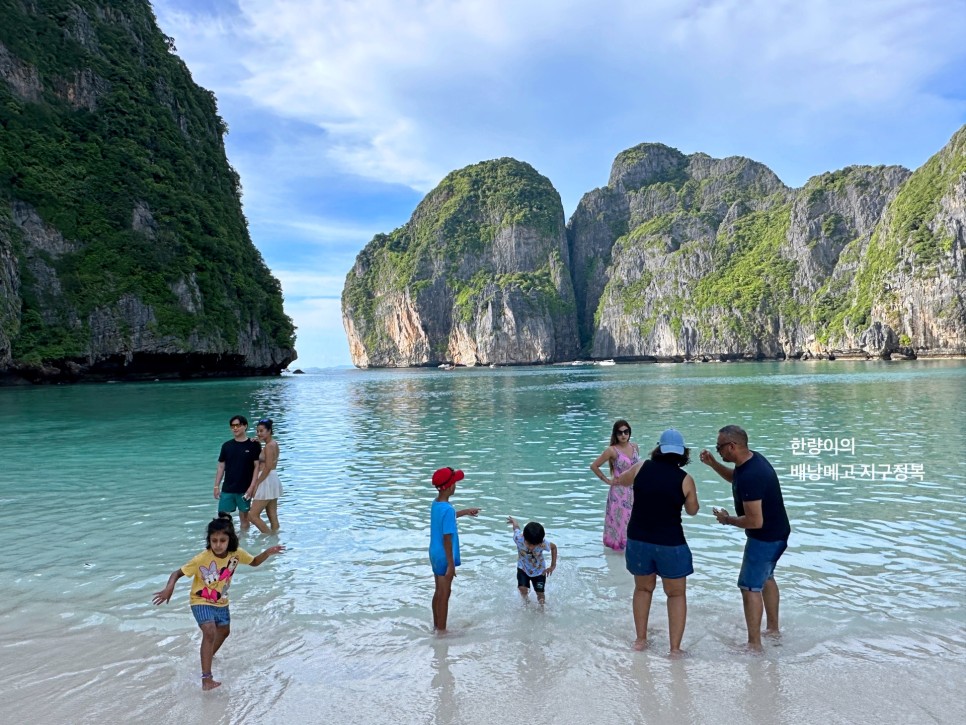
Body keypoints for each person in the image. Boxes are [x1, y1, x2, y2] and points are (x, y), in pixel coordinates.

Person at [152, 513, 285, 689]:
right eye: (214, 541)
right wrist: (169, 588)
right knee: (209, 631)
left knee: (224, 631)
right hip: (200, 600)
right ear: (209, 541)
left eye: (222, 540)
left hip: (221, 602)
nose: (218, 545)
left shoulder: (236, 554)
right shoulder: (202, 558)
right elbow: (177, 573)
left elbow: (254, 562)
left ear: (230, 540)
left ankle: (207, 657)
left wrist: (267, 553)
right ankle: (206, 678)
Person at [699, 425, 791, 652]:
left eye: (719, 447)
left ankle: (754, 645)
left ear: (732, 446)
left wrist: (727, 519)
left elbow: (755, 521)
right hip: (778, 533)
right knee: (767, 578)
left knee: (749, 587)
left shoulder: (751, 475)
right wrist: (713, 465)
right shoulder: (751, 461)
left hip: (765, 538)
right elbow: (735, 478)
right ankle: (772, 629)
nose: (718, 450)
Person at [613, 428, 699, 654]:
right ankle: (674, 649)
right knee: (676, 594)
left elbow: (621, 480)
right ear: (682, 453)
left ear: (659, 449)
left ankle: (640, 640)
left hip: (639, 539)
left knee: (642, 589)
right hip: (670, 543)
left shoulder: (642, 466)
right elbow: (692, 511)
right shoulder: (686, 479)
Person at [428, 466, 480, 633]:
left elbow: (447, 518)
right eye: (455, 482)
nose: (456, 485)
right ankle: (442, 632)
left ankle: (436, 626)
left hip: (435, 553)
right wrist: (451, 566)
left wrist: (464, 512)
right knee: (445, 594)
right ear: (450, 487)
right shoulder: (448, 509)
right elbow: (447, 538)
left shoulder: (437, 504)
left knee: (438, 591)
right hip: (444, 556)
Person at [589, 419, 640, 551]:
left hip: (634, 490)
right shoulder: (612, 450)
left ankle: (631, 548)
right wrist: (607, 480)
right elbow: (594, 466)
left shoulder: (635, 447)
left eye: (626, 432)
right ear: (615, 434)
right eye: (620, 432)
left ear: (629, 432)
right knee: (620, 521)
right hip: (619, 492)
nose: (623, 435)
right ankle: (618, 551)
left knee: (634, 519)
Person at [214, 415, 262, 530]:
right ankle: (228, 542)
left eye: (238, 425)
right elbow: (221, 466)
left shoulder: (253, 445)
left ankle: (244, 543)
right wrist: (216, 486)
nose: (235, 428)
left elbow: (257, 467)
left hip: (244, 489)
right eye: (232, 426)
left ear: (245, 426)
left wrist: (252, 487)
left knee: (244, 518)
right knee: (223, 518)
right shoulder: (226, 446)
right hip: (228, 488)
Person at [507, 516, 558, 604]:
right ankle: (526, 603)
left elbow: (554, 548)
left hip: (539, 571)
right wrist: (514, 521)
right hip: (522, 568)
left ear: (541, 541)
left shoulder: (543, 543)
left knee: (540, 593)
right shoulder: (518, 538)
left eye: (534, 545)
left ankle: (542, 608)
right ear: (523, 537)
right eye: (529, 544)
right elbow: (516, 528)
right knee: (522, 588)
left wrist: (553, 565)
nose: (531, 547)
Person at [245, 418, 282, 534]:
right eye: (257, 431)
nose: (259, 433)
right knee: (272, 515)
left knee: (252, 516)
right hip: (272, 478)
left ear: (269, 431)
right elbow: (267, 460)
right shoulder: (272, 444)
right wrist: (258, 444)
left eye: (261, 431)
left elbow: (268, 466)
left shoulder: (269, 446)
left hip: (266, 479)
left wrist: (256, 483)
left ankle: (269, 537)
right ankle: (275, 539)